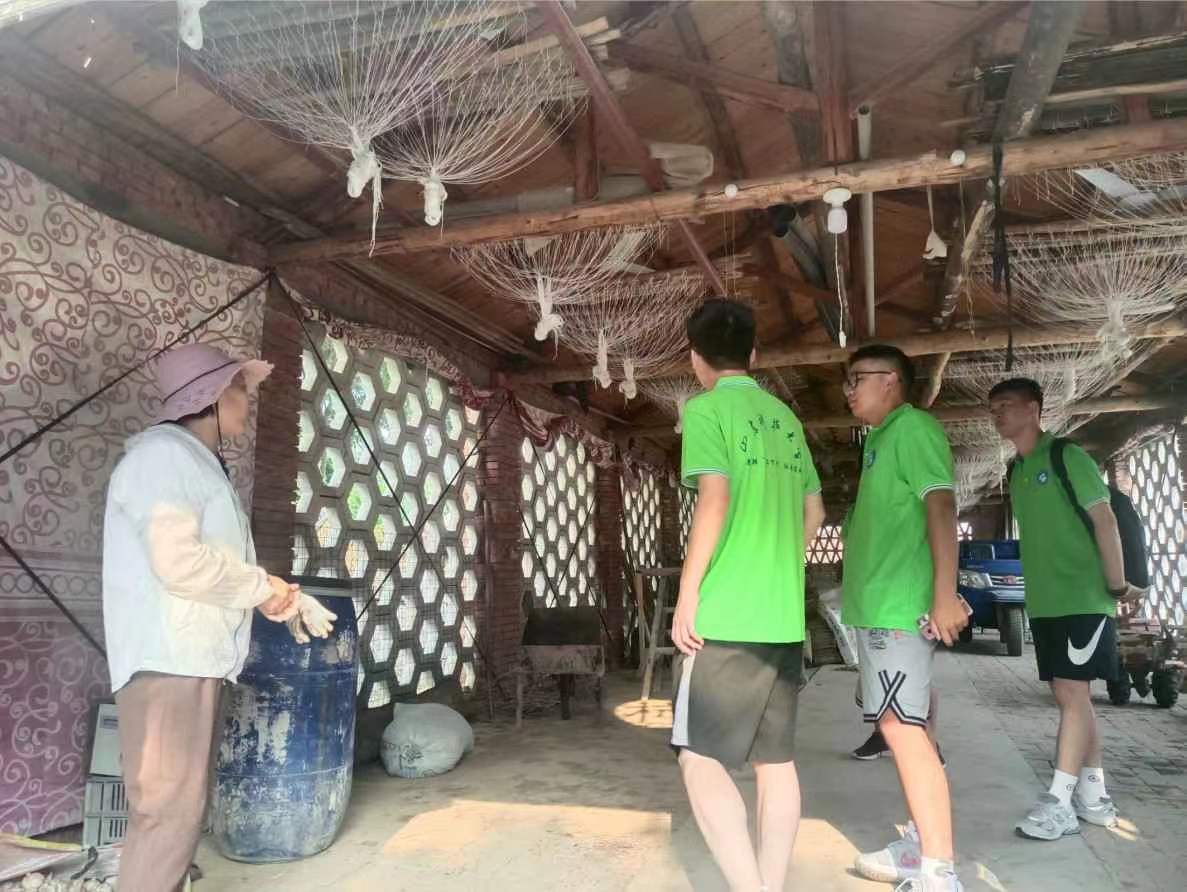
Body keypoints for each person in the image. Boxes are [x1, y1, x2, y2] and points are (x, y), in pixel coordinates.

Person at [103, 342, 334, 891]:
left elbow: (216, 566)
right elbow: (179, 563)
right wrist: (262, 588)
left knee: (178, 813)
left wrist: (275, 598)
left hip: (189, 660)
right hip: (169, 661)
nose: (248, 402)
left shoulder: (194, 462)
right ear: (210, 396)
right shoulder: (163, 459)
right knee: (166, 813)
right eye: (241, 390)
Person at [670, 298, 825, 892]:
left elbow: (714, 499)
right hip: (780, 616)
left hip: (726, 615)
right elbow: (815, 513)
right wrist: (776, 562)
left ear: (695, 358)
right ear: (754, 355)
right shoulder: (785, 418)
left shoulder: (706, 410)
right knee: (775, 763)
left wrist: (688, 594)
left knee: (698, 757)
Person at [988, 378, 1142, 841]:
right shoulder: (1017, 470)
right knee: (1070, 696)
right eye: (993, 408)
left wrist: (1115, 585)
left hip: (1082, 596)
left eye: (1006, 405)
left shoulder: (1066, 456)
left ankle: (1059, 802)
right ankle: (1094, 797)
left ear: (1034, 408)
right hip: (1046, 601)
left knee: (1073, 695)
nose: (997, 414)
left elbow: (1105, 519)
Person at [842, 345, 968, 892]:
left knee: (901, 728)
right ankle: (921, 844)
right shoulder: (880, 439)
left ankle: (939, 871)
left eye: (857, 379)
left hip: (899, 605)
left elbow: (941, 506)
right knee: (908, 725)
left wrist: (944, 595)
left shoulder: (913, 428)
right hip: (880, 604)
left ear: (891, 380)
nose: (848, 390)